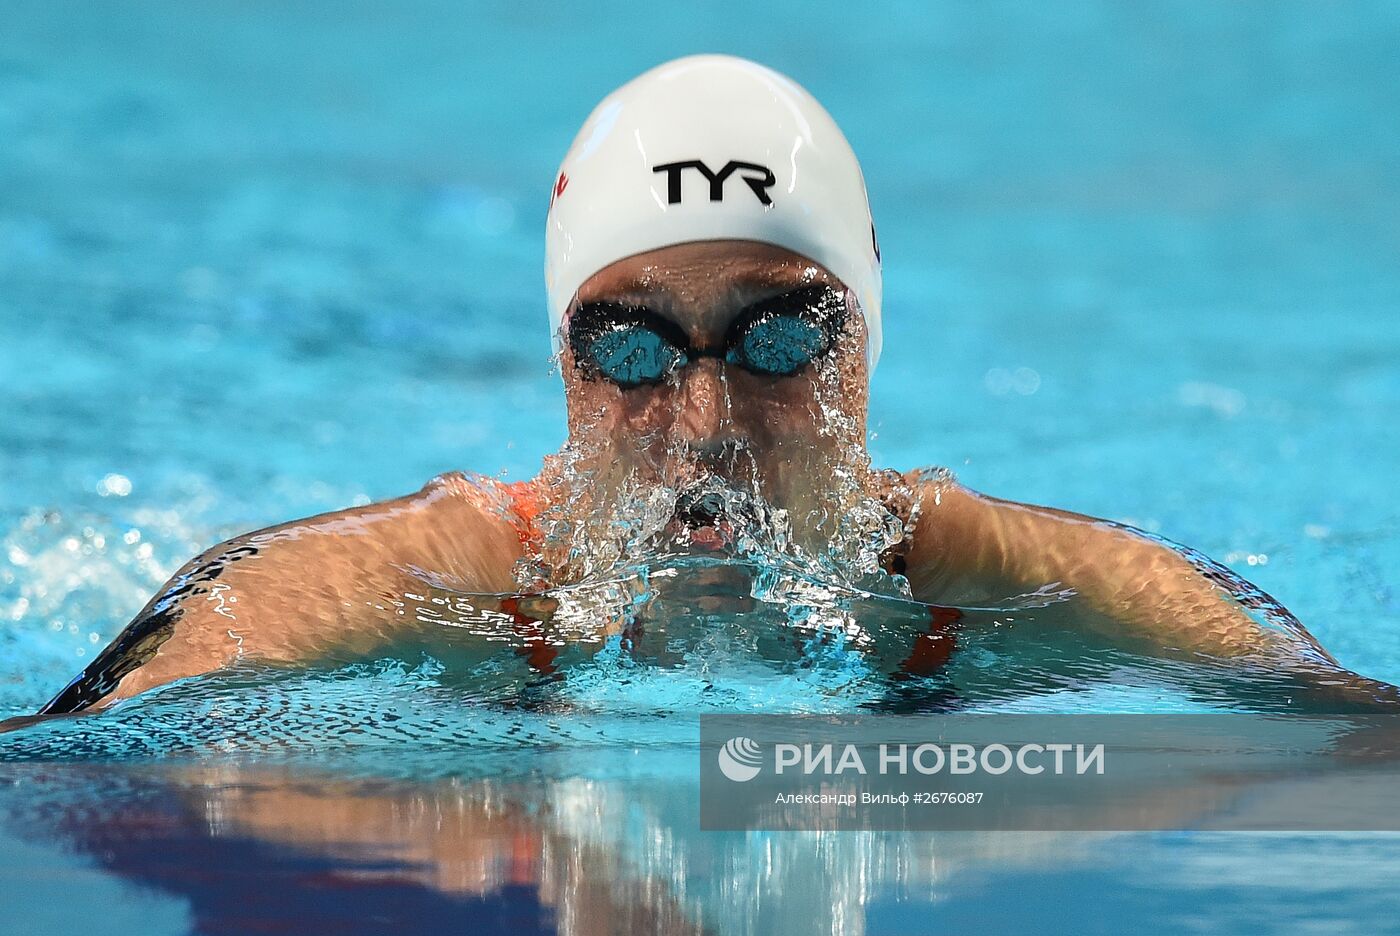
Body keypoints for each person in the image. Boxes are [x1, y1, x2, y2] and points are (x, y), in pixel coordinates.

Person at [34, 55, 1371, 716]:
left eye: (780, 341)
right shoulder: (446, 586)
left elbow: (1347, 734)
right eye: (629, 350)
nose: (704, 425)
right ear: (562, 362)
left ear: (868, 348)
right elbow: (71, 752)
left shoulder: (1003, 584)